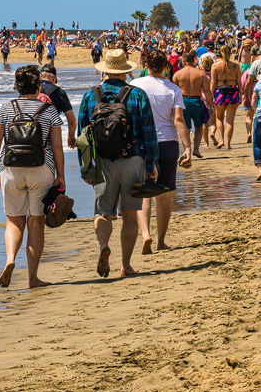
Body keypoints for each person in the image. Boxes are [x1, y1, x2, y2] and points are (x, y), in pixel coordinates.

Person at [76, 49, 159, 279]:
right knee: (130, 213)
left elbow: (82, 135)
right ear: (125, 71)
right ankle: (126, 265)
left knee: (103, 212)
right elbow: (148, 133)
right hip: (133, 159)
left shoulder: (90, 95)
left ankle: (104, 246)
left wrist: (86, 166)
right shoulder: (138, 95)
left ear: (104, 70)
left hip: (102, 161)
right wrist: (152, 163)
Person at [0, 65, 67, 289]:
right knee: (36, 222)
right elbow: (57, 146)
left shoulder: (6, 109)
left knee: (14, 220)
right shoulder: (49, 111)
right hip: (41, 169)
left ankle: (11, 259)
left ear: (17, 86)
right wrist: (60, 175)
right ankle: (32, 278)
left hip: (11, 169)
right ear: (38, 86)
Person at [132, 51, 186, 253]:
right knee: (163, 195)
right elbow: (178, 119)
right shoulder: (173, 88)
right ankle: (160, 241)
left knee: (144, 192)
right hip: (167, 142)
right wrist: (187, 147)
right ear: (166, 67)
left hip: (141, 143)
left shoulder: (136, 86)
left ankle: (145, 233)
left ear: (146, 65)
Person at [173, 52, 212, 157]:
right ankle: (196, 149)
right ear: (193, 61)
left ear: (184, 61)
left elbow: (173, 92)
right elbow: (207, 91)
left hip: (183, 101)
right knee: (199, 126)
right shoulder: (200, 74)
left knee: (185, 127)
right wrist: (211, 104)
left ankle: (187, 149)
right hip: (197, 101)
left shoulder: (178, 74)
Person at [36, 65, 78, 151]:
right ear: (54, 78)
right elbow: (72, 121)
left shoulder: (29, 90)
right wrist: (71, 136)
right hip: (49, 139)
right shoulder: (59, 92)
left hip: (28, 136)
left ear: (40, 76)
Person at [210, 45, 244, 150]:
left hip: (220, 91)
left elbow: (213, 82)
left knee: (219, 118)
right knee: (230, 120)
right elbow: (239, 82)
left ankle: (221, 140)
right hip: (233, 91)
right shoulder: (236, 66)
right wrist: (241, 94)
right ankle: (228, 144)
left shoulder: (215, 66)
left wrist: (211, 96)